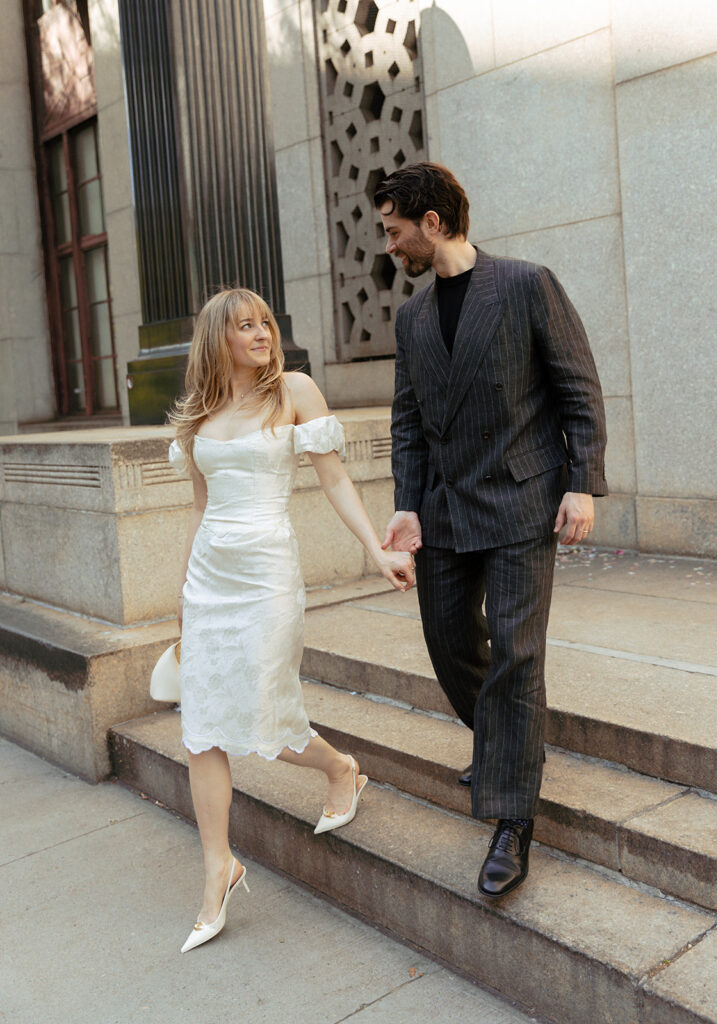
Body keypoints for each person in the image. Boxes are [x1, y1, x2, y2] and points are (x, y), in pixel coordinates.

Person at [373, 163, 607, 898]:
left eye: (393, 228)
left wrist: (581, 482)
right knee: (448, 642)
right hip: (442, 509)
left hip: (519, 500)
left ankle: (511, 820)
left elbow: (578, 387)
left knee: (515, 652)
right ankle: (510, 742)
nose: (389, 244)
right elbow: (407, 419)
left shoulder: (526, 284)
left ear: (432, 222)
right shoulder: (412, 317)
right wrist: (407, 502)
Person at [168, 287, 415, 952]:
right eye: (245, 326)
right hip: (210, 583)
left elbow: (334, 479)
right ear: (218, 337)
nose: (260, 335)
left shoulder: (296, 392)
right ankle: (218, 865)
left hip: (268, 577)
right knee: (202, 729)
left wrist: (375, 550)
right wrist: (182, 603)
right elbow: (199, 509)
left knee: (263, 714)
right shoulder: (199, 412)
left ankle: (340, 768)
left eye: (265, 324)